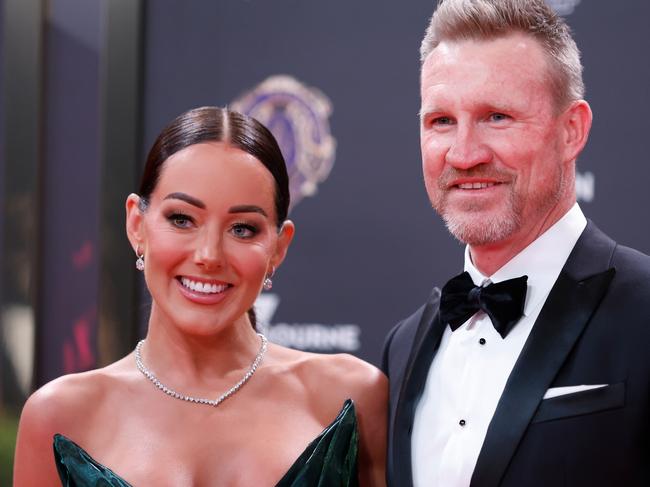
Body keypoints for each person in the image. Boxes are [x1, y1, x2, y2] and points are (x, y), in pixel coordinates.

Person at [14, 107, 387, 486]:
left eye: (242, 229)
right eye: (181, 219)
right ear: (136, 225)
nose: (208, 255)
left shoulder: (352, 396)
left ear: (279, 246)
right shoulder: (60, 416)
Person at [382, 1, 650, 486]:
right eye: (441, 121)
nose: (464, 155)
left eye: (497, 116)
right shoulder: (401, 348)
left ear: (572, 131)